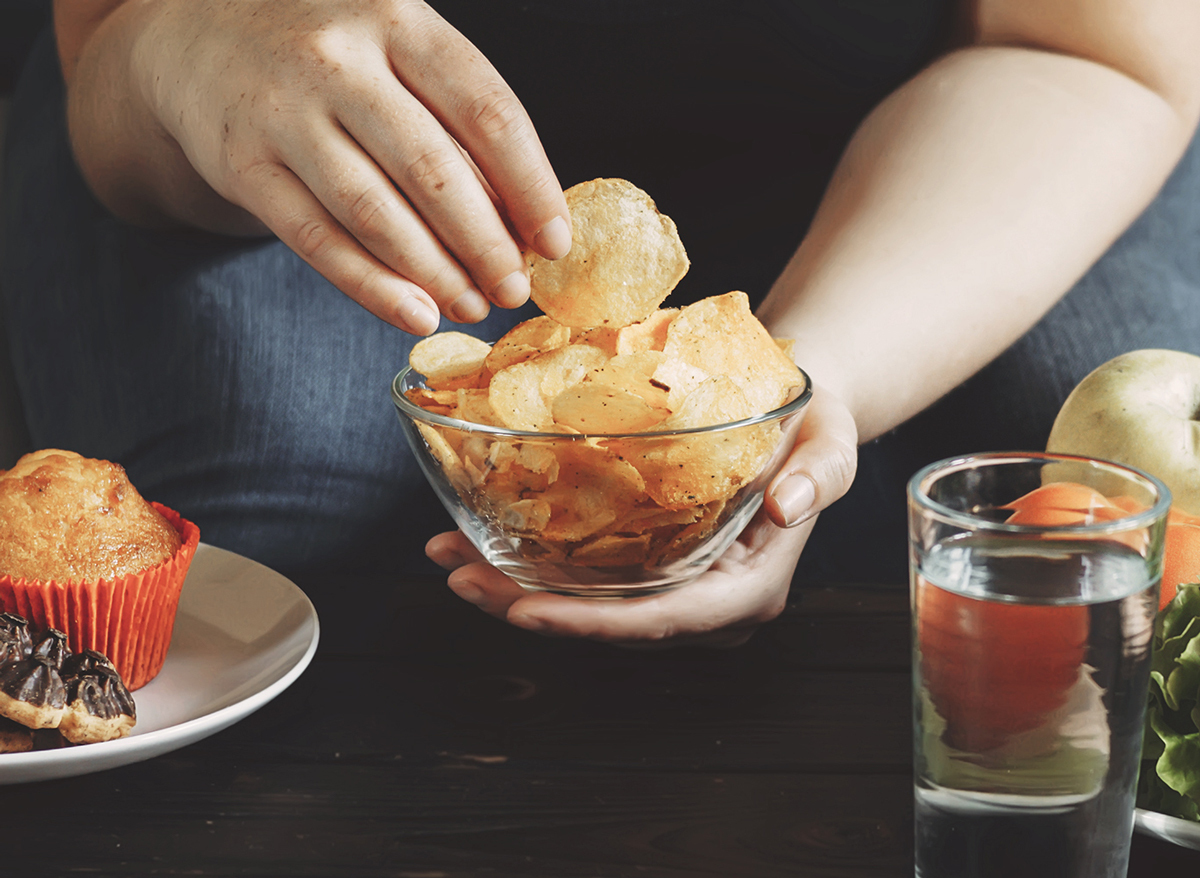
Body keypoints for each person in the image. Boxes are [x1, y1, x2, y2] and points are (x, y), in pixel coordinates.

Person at [3, 0, 1199, 647]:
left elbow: (1088, 46)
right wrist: (184, 38)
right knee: (268, 541)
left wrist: (791, 398)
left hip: (964, 105)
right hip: (275, 136)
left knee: (1095, 514)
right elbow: (107, 44)